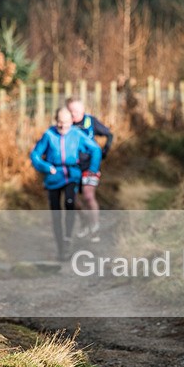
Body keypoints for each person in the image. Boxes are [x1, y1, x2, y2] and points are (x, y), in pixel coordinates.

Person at [30, 107, 102, 261]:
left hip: (72, 176)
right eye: (60, 122)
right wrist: (46, 167)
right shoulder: (49, 135)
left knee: (70, 204)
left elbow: (95, 149)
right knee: (56, 213)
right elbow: (35, 155)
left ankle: (68, 239)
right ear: (55, 121)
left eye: (67, 123)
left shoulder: (77, 134)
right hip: (53, 177)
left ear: (72, 122)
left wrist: (92, 170)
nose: (63, 126)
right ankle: (60, 248)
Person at [66, 98, 113, 242]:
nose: (73, 114)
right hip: (72, 167)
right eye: (71, 111)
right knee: (71, 200)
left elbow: (109, 134)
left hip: (90, 166)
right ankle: (85, 221)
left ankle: (94, 228)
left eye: (76, 111)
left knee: (88, 195)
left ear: (82, 110)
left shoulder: (90, 122)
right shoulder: (65, 125)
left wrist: (105, 151)